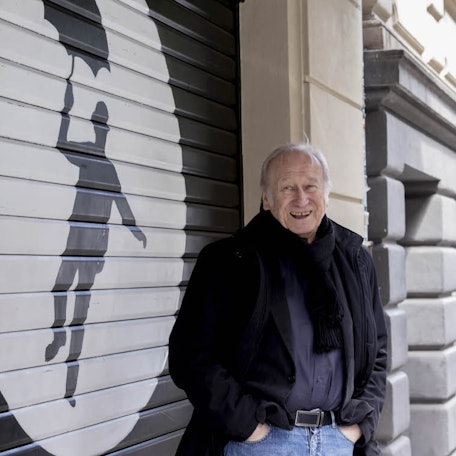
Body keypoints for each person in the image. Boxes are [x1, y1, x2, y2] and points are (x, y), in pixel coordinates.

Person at [169, 143, 387, 456]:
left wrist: (357, 428)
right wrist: (248, 427)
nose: (301, 199)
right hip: (260, 443)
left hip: (337, 441)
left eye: (310, 186)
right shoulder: (228, 261)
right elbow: (191, 355)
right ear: (266, 198)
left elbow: (377, 351)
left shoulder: (354, 260)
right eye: (287, 187)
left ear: (326, 194)